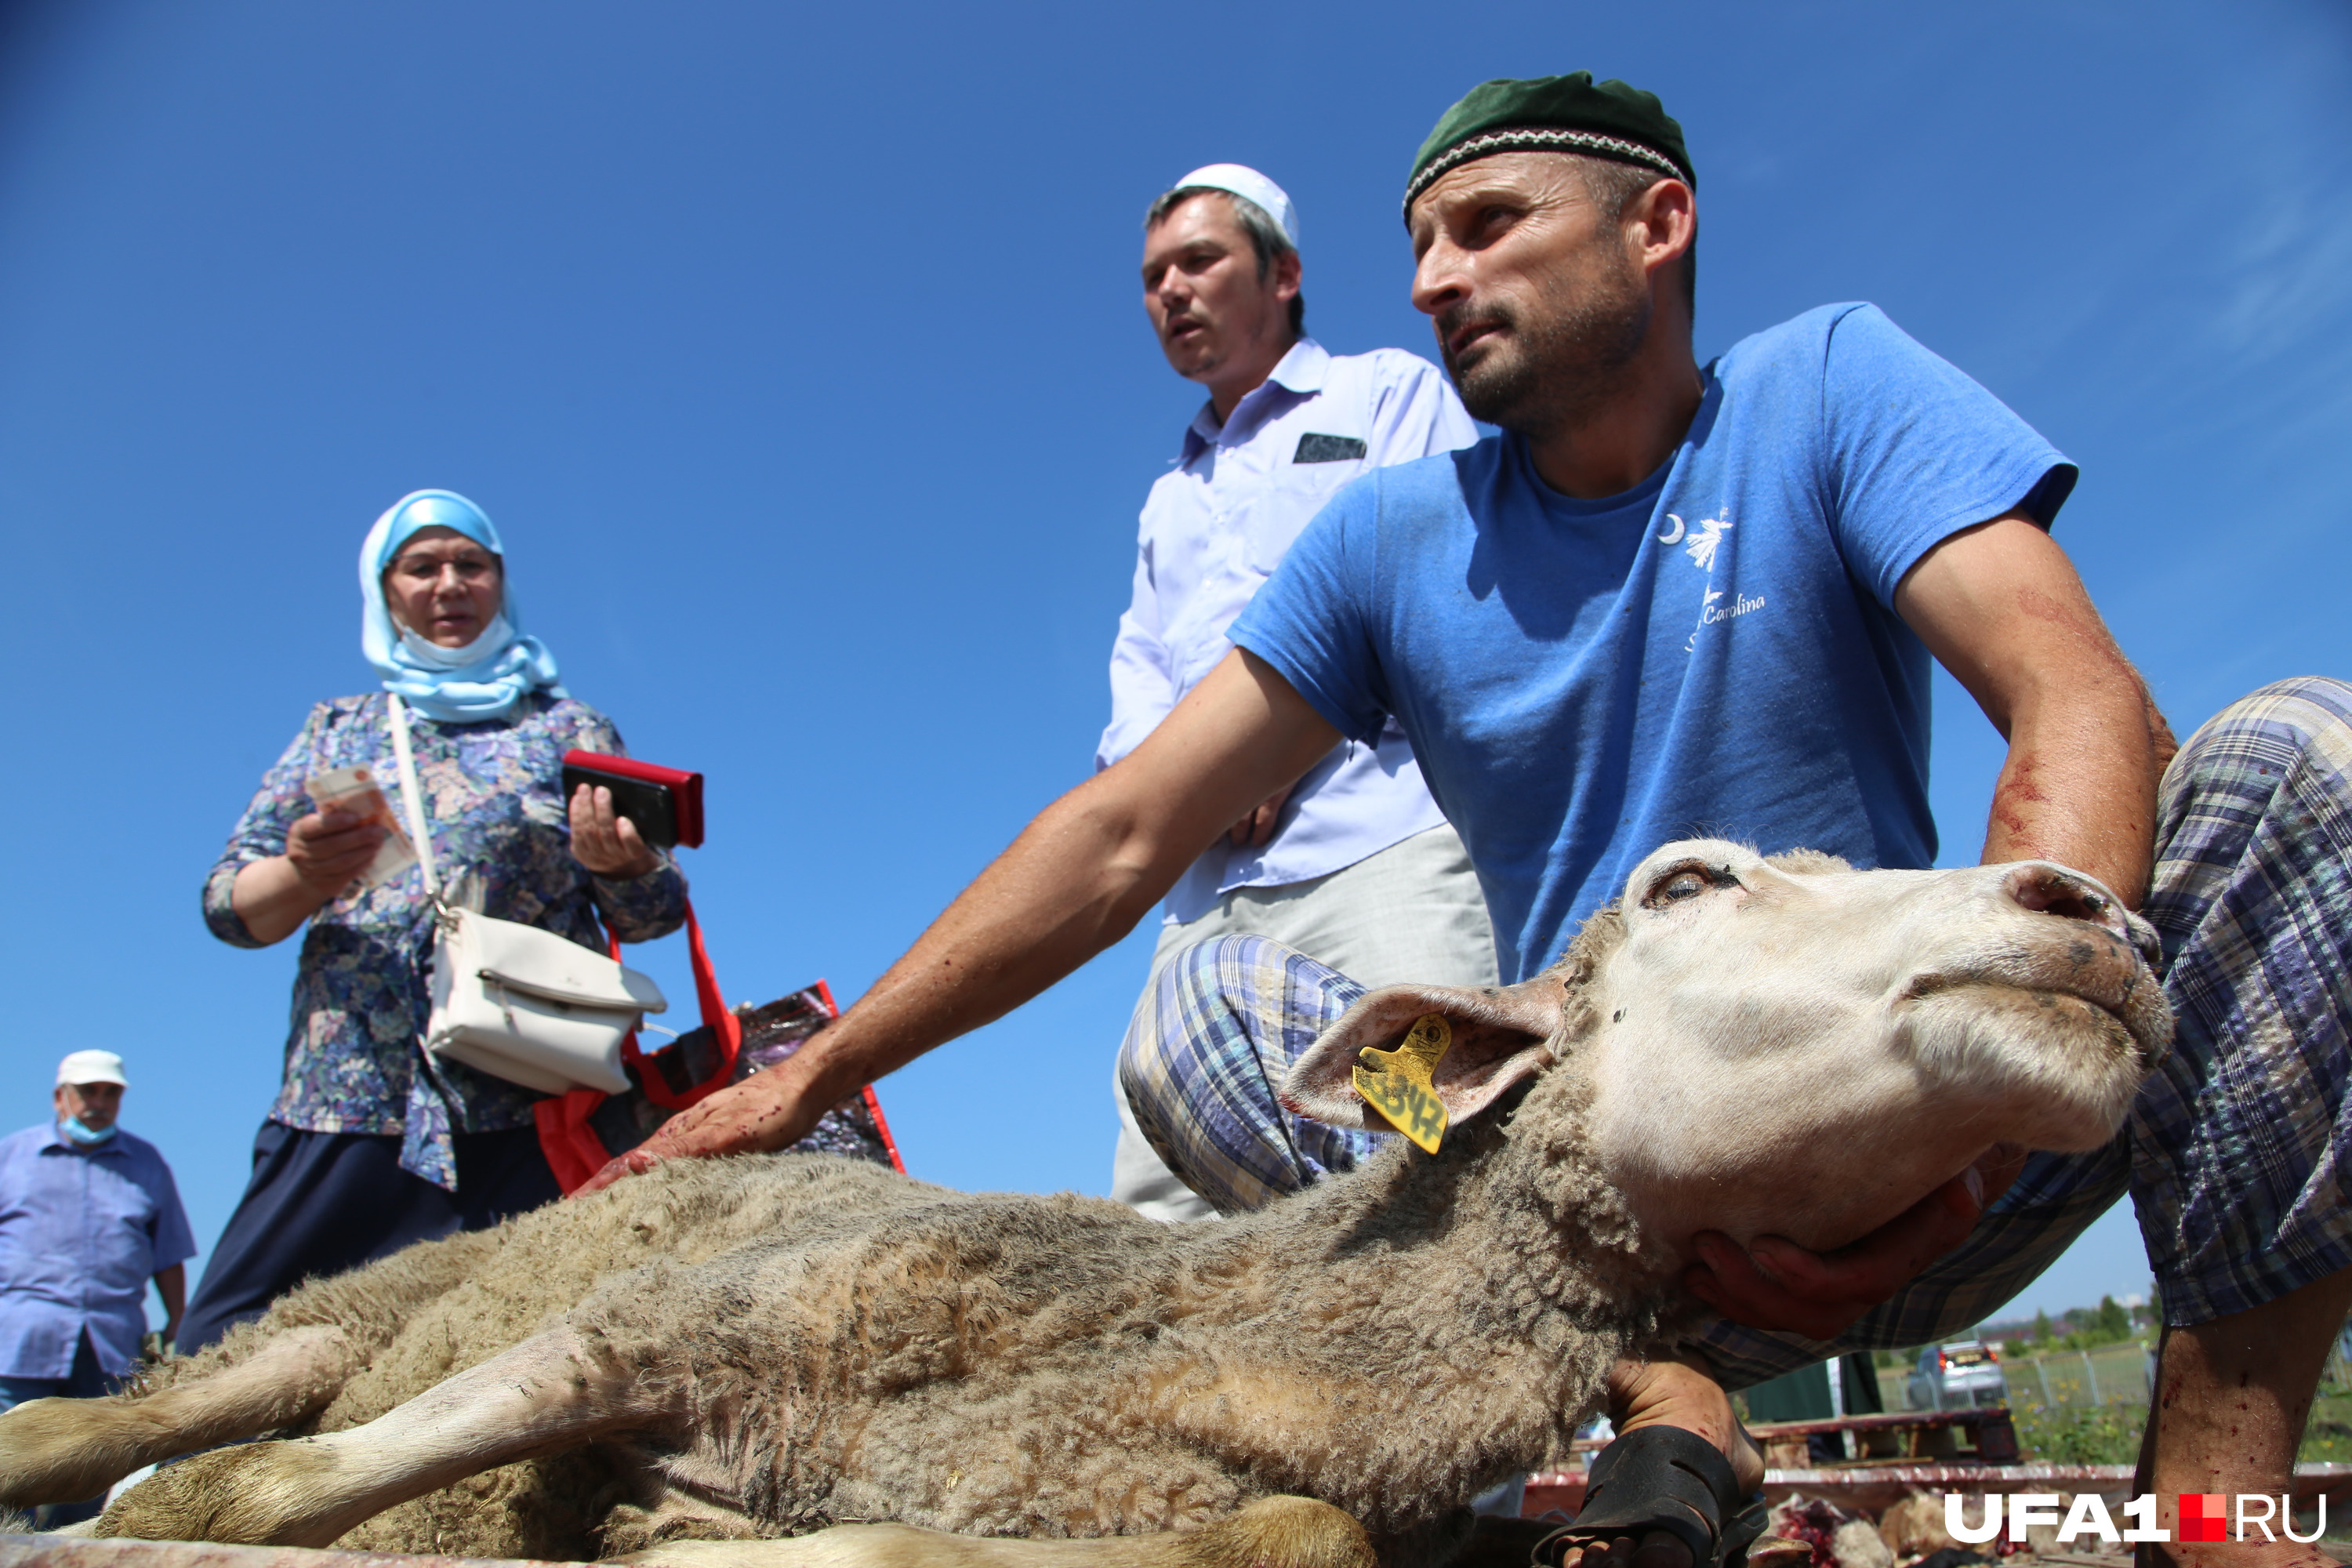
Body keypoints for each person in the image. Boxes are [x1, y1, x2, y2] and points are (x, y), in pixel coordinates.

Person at [595, 75, 2350, 1559]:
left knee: (2293, 762)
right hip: (1609, 1203)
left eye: (1490, 225)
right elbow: (1129, 832)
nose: (1435, 277)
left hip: (1945, 1126)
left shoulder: (1827, 386)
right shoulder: (1390, 539)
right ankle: (1666, 1401)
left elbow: (2077, 697)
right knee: (1208, 1007)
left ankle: (2214, 1513)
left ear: (1655, 226)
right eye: (1423, 243)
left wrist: (1978, 1124)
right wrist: (810, 1079)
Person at [179, 489, 688, 1353]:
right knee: (226, 1347)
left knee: (516, 1363)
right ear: (385, 590)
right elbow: (229, 908)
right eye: (423, 567)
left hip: (526, 1102)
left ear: (500, 581)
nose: (449, 584)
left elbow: (654, 914)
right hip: (347, 1099)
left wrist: (622, 866)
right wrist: (303, 873)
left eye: (471, 564)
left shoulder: (568, 729)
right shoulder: (338, 728)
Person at [1102, 163, 1487, 1221]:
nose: (1170, 291)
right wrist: (1191, 780)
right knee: (1160, 1221)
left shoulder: (1387, 394)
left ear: (1284, 274)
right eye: (1152, 277)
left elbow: (1441, 587)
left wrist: (1273, 745)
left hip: (1380, 854)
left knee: (1436, 1170)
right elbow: (1137, 681)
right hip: (1207, 900)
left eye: (1199, 260)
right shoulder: (1167, 500)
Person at [0, 1051, 194, 1525]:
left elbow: (167, 1253)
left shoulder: (146, 1163)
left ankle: (66, 1552)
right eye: (88, 1091)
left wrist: (178, 1322)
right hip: (17, 1338)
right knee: (5, 1457)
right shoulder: (12, 1156)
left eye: (111, 1093)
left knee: (89, 1463)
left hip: (109, 1343)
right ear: (60, 1098)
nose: (99, 1102)